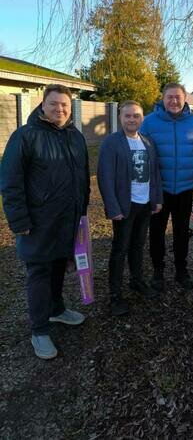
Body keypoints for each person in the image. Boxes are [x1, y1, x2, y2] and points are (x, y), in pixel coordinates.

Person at [0, 84, 90, 360]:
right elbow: (10, 182)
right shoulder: (25, 136)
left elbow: (83, 176)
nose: (59, 109)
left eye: (64, 105)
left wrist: (81, 211)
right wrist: (19, 221)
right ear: (43, 104)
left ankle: (57, 309)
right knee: (39, 273)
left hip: (68, 219)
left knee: (59, 267)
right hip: (38, 222)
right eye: (54, 104)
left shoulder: (75, 136)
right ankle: (39, 330)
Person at [97, 101, 163, 316]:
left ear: (142, 118)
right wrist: (112, 206)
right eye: (128, 116)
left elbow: (155, 175)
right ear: (120, 118)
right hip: (125, 206)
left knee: (138, 245)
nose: (132, 119)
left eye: (136, 116)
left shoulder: (148, 143)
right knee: (120, 249)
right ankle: (115, 295)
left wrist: (157, 199)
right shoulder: (112, 143)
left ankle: (137, 280)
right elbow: (105, 178)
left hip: (144, 205)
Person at [140, 83, 193, 291]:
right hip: (159, 189)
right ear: (162, 98)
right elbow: (140, 155)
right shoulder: (149, 122)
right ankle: (158, 271)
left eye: (178, 97)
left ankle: (181, 270)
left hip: (185, 188)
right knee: (157, 232)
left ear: (185, 98)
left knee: (181, 232)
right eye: (169, 97)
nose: (174, 101)